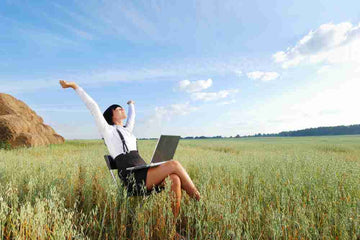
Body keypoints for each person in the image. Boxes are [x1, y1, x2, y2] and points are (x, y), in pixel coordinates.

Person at [59, 80, 201, 219]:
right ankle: (199, 199)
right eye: (118, 108)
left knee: (175, 179)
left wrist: (131, 105)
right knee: (174, 164)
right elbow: (93, 106)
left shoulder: (127, 131)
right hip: (133, 178)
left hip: (144, 171)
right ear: (111, 115)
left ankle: (171, 229)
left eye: (122, 108)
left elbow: (132, 117)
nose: (122, 109)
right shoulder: (107, 130)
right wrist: (74, 86)